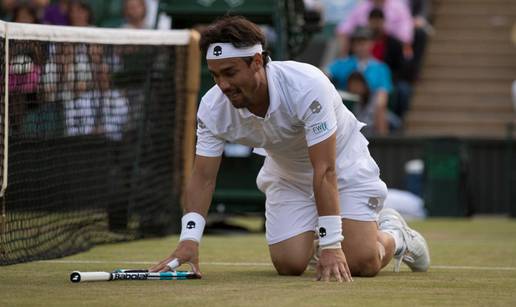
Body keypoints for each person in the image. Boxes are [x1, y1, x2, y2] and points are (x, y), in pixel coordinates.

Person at [150, 16, 430, 281]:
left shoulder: (307, 85)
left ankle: (397, 236)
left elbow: (325, 168)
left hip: (341, 165)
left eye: (230, 73)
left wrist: (332, 244)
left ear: (257, 61)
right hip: (287, 174)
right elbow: (203, 177)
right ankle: (328, 236)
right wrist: (189, 239)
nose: (223, 85)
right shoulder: (213, 108)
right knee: (290, 264)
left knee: (362, 263)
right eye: (215, 76)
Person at [327, 26, 393, 135]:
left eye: (364, 42)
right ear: (353, 45)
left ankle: (382, 147)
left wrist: (378, 106)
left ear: (372, 43)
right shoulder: (342, 63)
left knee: (380, 107)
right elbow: (324, 74)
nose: (361, 46)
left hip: (370, 110)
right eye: (358, 42)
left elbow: (382, 96)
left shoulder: (381, 68)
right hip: (345, 108)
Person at [336, 0, 414, 59]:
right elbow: (344, 27)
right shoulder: (362, 7)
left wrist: (405, 42)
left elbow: (405, 28)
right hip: (365, 41)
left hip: (389, 45)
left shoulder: (398, 6)